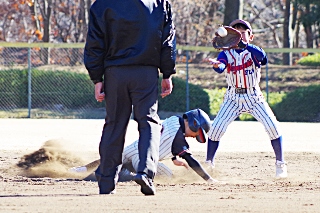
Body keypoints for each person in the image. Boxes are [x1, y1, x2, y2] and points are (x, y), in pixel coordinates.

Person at [83, 0, 176, 195]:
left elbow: (95, 42)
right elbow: (167, 40)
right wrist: (167, 73)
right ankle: (145, 173)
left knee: (114, 124)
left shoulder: (102, 4)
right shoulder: (159, 3)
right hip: (146, 72)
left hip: (115, 73)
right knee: (149, 122)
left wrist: (96, 78)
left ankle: (106, 181)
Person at [205, 19, 287, 178]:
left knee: (273, 127)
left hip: (254, 96)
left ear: (251, 36)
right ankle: (209, 164)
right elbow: (221, 67)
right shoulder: (226, 53)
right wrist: (217, 65)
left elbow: (263, 58)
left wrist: (245, 45)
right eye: (236, 33)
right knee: (215, 130)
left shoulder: (253, 51)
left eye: (243, 33)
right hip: (232, 97)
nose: (239, 36)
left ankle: (280, 164)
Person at [69, 109, 220, 184]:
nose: (195, 136)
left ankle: (81, 170)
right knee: (167, 176)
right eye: (197, 133)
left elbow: (164, 138)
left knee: (113, 158)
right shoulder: (179, 137)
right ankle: (125, 174)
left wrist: (174, 157)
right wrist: (208, 179)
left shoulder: (174, 120)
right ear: (193, 124)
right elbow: (191, 159)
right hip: (142, 158)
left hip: (133, 148)